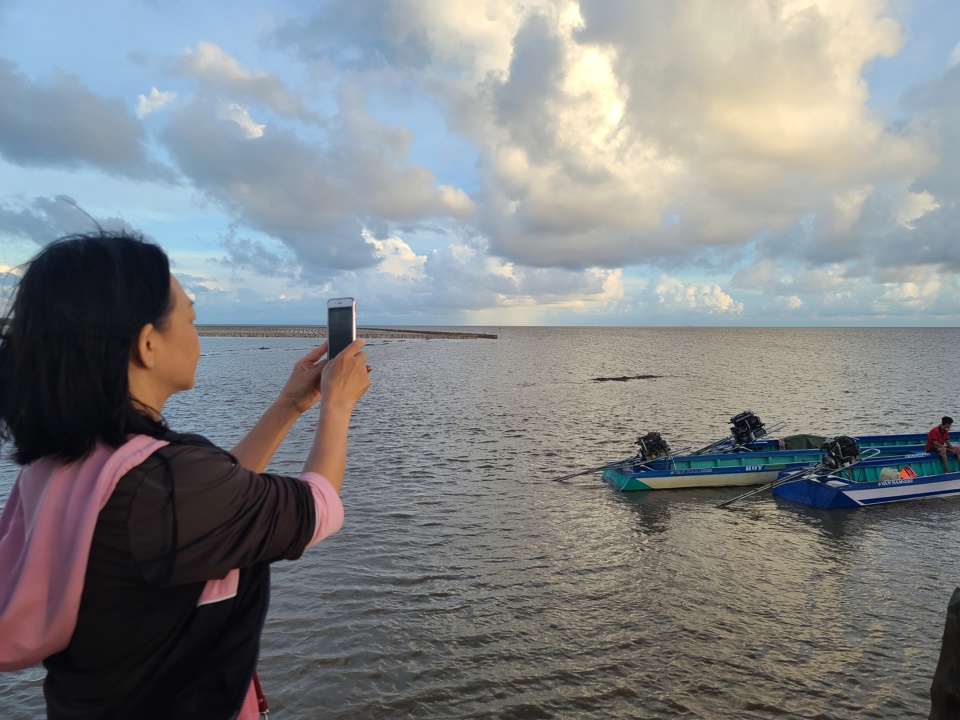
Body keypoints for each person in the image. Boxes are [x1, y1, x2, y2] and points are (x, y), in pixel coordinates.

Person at [0, 230, 370, 719]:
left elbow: (209, 501)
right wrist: (338, 407)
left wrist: (289, 406)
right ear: (147, 343)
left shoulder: (63, 463)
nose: (198, 334)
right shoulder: (163, 487)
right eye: (191, 319)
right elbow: (318, 506)